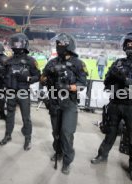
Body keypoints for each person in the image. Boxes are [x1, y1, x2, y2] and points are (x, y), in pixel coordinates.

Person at [90, 32, 132, 182]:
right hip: (115, 103)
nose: (128, 46)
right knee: (110, 133)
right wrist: (113, 80)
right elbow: (107, 83)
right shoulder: (118, 62)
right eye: (127, 43)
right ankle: (102, 155)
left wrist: (126, 80)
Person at [41, 33, 88, 174]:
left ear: (69, 46)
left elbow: (82, 84)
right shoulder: (52, 62)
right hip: (54, 102)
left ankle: (67, 160)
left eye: (62, 44)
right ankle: (58, 152)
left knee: (66, 133)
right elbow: (42, 79)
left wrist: (67, 87)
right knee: (56, 132)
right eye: (58, 44)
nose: (59, 47)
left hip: (69, 104)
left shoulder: (78, 63)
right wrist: (47, 75)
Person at [0, 33, 40, 151]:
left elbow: (38, 76)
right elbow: (4, 76)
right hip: (10, 92)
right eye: (14, 43)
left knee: (26, 117)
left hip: (23, 92)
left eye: (18, 43)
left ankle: (28, 138)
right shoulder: (8, 61)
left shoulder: (31, 61)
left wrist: (27, 79)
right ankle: (8, 135)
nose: (16, 45)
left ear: (24, 44)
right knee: (10, 115)